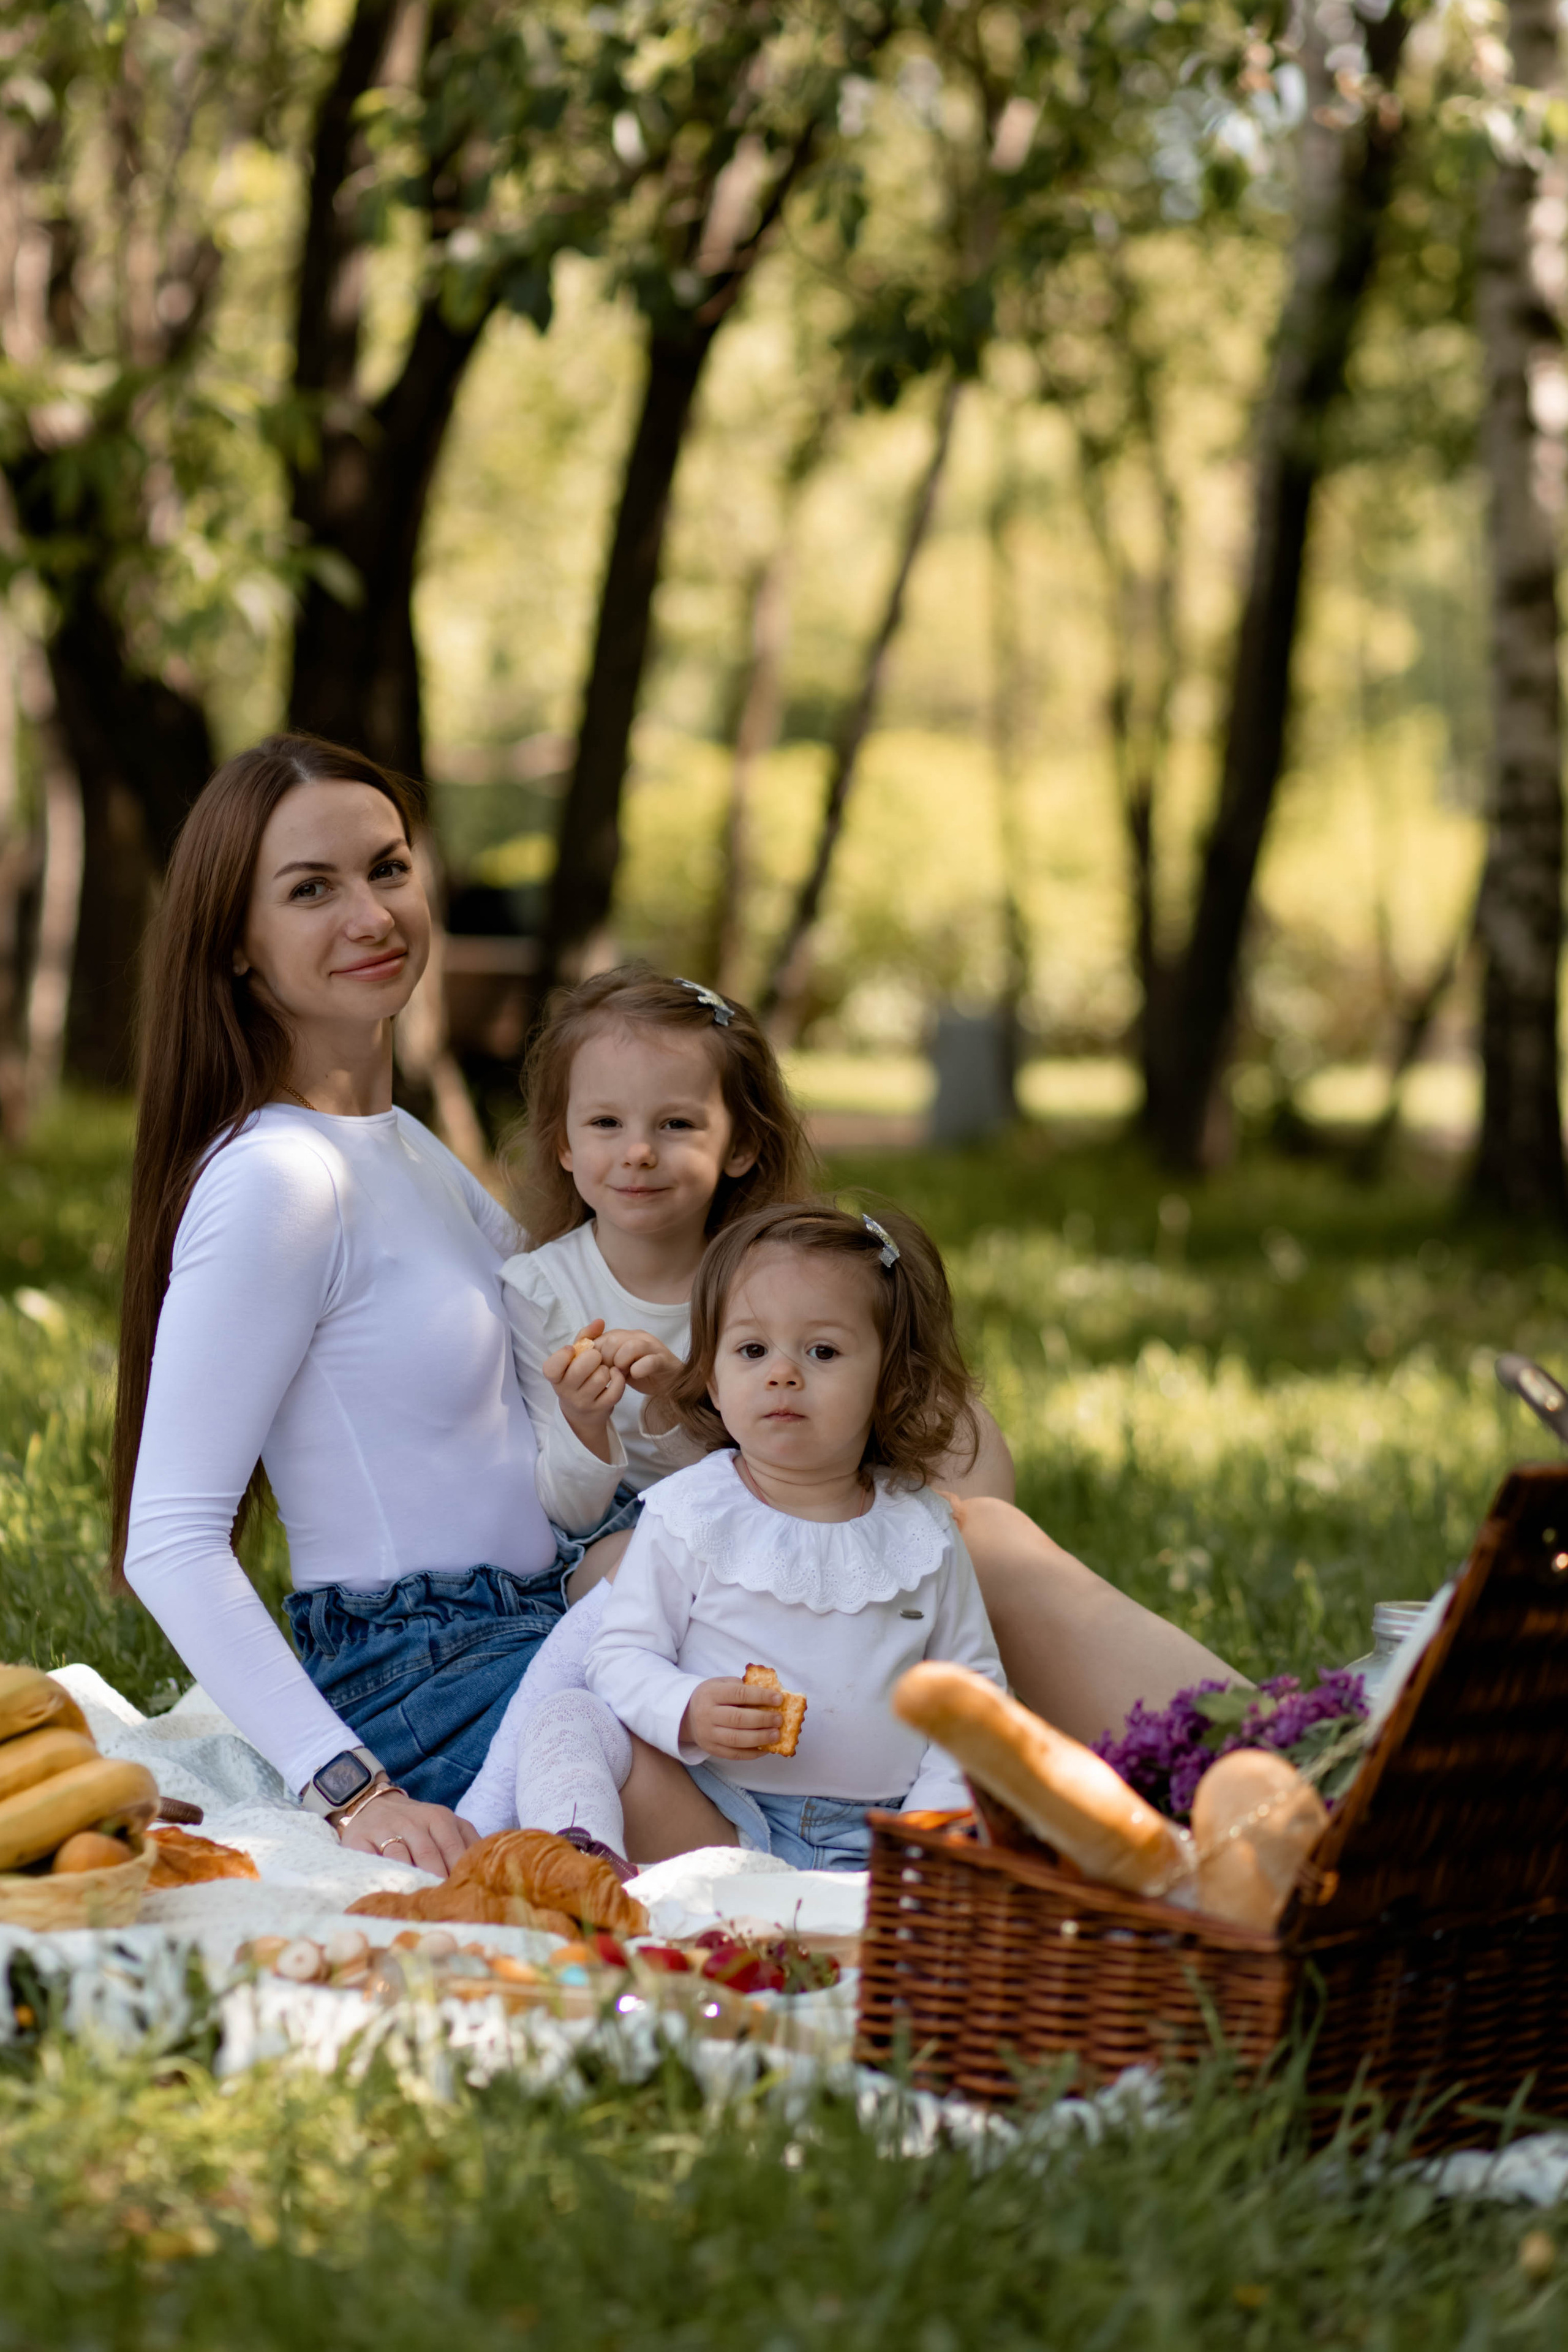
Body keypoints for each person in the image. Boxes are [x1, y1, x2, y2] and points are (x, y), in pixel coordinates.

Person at [459, 967, 1235, 1849]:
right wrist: (605, 1422)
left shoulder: (780, 1272)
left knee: (960, 1536)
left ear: (740, 1143)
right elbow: (565, 1511)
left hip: (827, 1500)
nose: (638, 1152)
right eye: (606, 1124)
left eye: (675, 1124)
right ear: (562, 1141)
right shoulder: (547, 1291)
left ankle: (1261, 1750)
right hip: (653, 1548)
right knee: (628, 1581)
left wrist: (916, 1526)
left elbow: (947, 1421)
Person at [113, 735, 646, 1875]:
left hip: (538, 1626)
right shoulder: (276, 1181)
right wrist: (351, 1789)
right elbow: (169, 1537)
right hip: (428, 1685)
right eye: (313, 890)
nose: (372, 913)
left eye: (389, 868)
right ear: (238, 949)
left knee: (928, 1566)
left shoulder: (406, 1149)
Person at [494, 1202, 1008, 1869]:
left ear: (891, 1381)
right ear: (711, 1374)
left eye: (822, 1351)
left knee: (1014, 1790)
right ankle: (586, 1869)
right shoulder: (690, 1511)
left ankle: (907, 1887)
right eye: (752, 1350)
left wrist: (929, 1827)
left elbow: (973, 1692)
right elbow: (620, 1655)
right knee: (567, 1718)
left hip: (883, 1835)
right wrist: (687, 1710)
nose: (782, 1373)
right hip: (716, 1818)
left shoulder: (922, 1528)